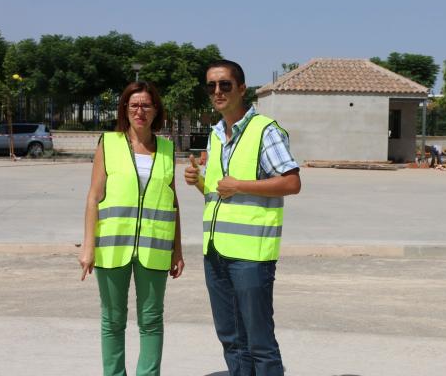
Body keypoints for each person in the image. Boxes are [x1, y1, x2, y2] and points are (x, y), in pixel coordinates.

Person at [184, 60, 301, 376]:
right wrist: (199, 181)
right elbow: (219, 193)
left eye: (224, 84)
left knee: (259, 342)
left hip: (251, 256)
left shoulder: (265, 130)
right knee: (232, 340)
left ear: (241, 89)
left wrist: (239, 185)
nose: (217, 91)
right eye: (211, 86)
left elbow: (292, 182)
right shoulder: (216, 135)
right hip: (216, 252)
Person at [79, 81, 184, 376]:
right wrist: (88, 247)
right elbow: (94, 197)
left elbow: (172, 201)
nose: (140, 111)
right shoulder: (108, 144)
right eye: (134, 105)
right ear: (125, 108)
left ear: (155, 110)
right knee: (112, 320)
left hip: (155, 248)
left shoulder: (166, 149)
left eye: (146, 105)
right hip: (112, 247)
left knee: (151, 321)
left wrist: (177, 249)